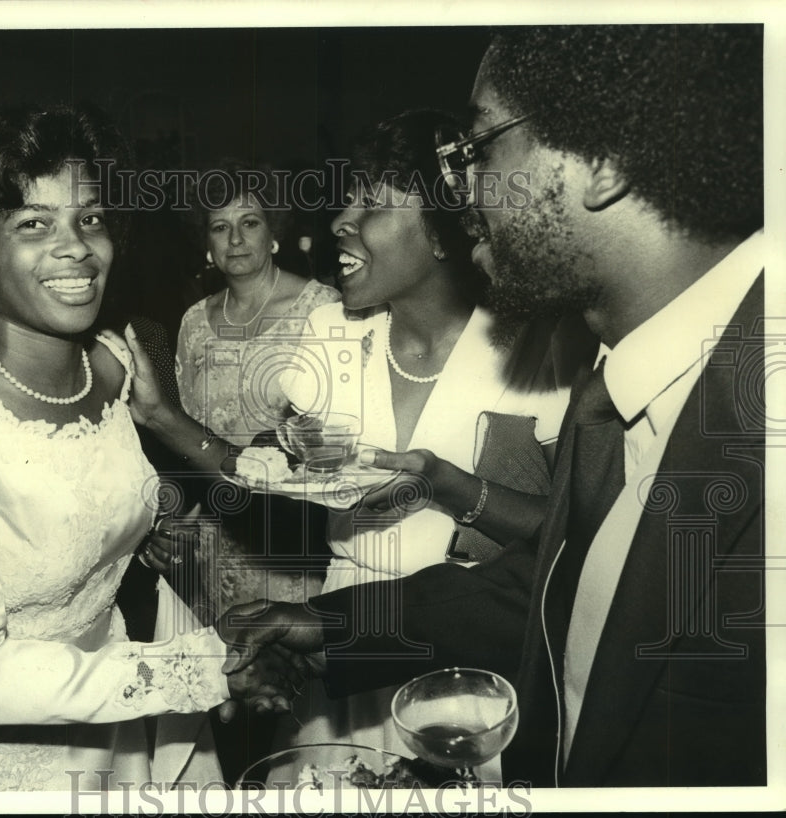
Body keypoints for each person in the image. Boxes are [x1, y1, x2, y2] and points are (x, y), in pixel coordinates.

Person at [219, 24, 767, 788]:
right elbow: (552, 591)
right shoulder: (619, 381)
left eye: (478, 150)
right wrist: (337, 626)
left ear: (602, 161)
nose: (462, 191)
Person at [0, 104, 302, 792]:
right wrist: (200, 668)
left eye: (89, 218)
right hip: (9, 758)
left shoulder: (113, 362)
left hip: (123, 726)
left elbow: (75, 503)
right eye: (33, 224)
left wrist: (150, 528)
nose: (76, 248)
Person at [272, 109, 575, 765]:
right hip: (340, 648)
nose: (338, 222)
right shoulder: (331, 331)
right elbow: (280, 463)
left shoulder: (533, 349)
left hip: (471, 675)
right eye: (345, 202)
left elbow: (566, 542)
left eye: (371, 205)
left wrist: (446, 484)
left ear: (439, 233)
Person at [172, 163, 340, 619]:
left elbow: (338, 435)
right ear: (207, 243)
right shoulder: (193, 323)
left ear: (273, 234)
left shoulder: (320, 308)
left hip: (292, 533)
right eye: (220, 227)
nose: (235, 239)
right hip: (217, 534)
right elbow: (186, 435)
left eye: (249, 223)